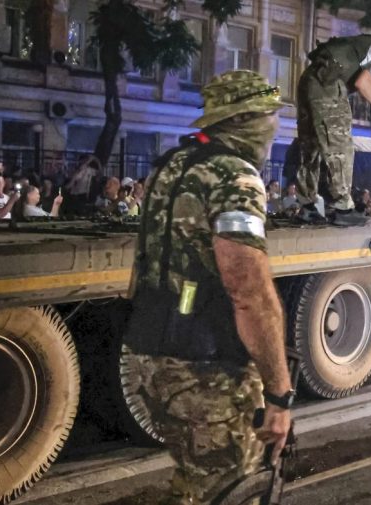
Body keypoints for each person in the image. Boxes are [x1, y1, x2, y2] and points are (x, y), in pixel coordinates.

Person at [123, 70, 293, 505]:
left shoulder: (173, 165)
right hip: (206, 369)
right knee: (228, 489)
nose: (277, 125)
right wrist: (279, 395)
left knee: (195, 486)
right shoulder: (235, 178)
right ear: (246, 119)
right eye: (271, 115)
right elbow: (248, 291)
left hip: (151, 354)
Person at [295, 27, 371, 226]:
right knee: (340, 146)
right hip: (328, 85)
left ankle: (307, 206)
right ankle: (342, 208)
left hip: (311, 79)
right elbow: (363, 83)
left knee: (312, 148)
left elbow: (369, 86)